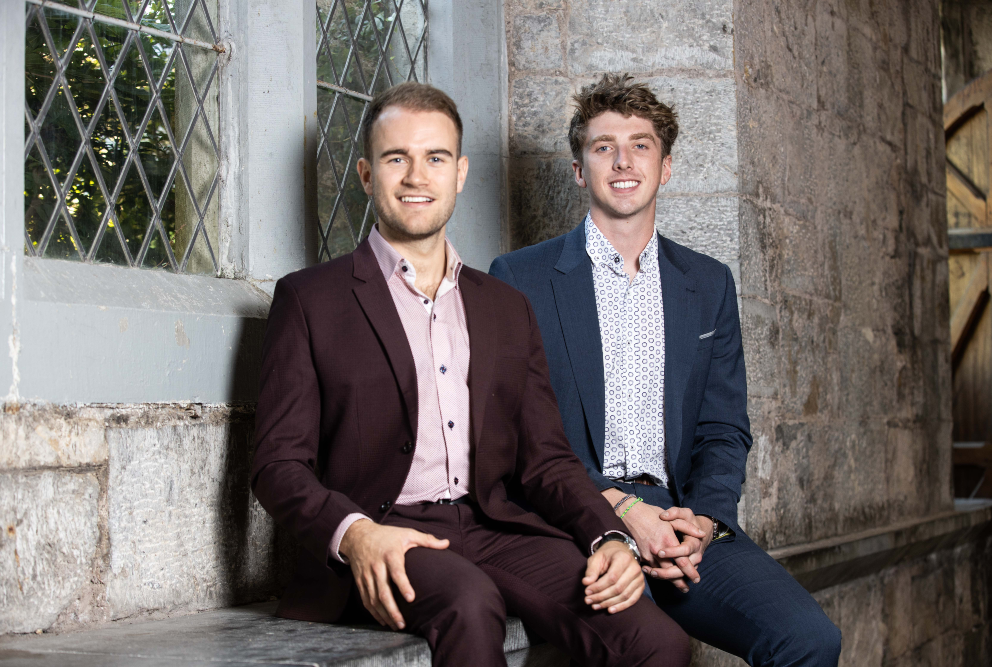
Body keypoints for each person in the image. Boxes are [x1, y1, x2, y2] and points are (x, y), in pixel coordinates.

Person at [251, 81, 691, 667]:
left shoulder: (504, 306)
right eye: (395, 158)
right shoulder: (310, 300)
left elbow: (548, 461)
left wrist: (608, 535)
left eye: (434, 158)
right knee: (469, 601)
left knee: (657, 642)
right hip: (389, 533)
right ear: (365, 175)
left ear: (458, 174)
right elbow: (277, 465)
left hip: (494, 526)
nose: (415, 176)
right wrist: (354, 534)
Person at [489, 73, 842, 666]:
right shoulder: (519, 279)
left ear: (667, 166)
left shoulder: (706, 284)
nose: (623, 161)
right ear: (580, 170)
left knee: (808, 640)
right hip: (576, 520)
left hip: (681, 518)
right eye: (603, 147)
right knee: (654, 653)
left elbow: (723, 428)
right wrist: (620, 511)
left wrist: (703, 520)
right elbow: (516, 435)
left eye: (641, 145)